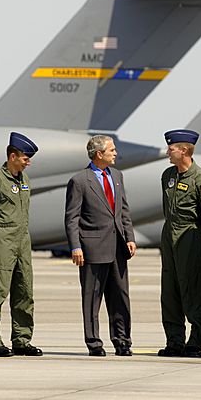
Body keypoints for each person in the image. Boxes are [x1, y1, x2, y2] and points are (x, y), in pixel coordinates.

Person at [65, 135, 136, 357]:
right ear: (99, 154)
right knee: (92, 297)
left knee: (121, 296)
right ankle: (94, 343)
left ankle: (122, 341)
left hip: (118, 247)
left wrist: (130, 237)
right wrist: (75, 247)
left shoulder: (117, 176)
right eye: (112, 150)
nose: (116, 153)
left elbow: (123, 209)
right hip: (92, 248)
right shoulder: (79, 181)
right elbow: (71, 218)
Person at [0, 132, 43, 357]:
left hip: (23, 240)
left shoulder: (25, 180)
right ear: (13, 156)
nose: (28, 162)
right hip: (2, 240)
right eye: (25, 158)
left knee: (24, 290)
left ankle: (22, 339)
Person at [158, 129, 201, 357]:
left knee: (192, 288)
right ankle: (174, 341)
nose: (168, 153)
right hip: (169, 235)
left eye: (171, 149)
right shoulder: (167, 175)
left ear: (183, 150)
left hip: (190, 236)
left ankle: (197, 341)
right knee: (169, 291)